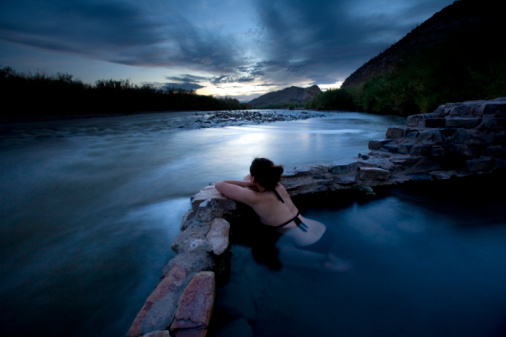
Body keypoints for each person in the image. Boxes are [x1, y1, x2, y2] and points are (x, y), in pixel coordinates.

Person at [215, 158, 349, 271]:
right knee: (302, 245)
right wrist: (253, 181)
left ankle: (322, 265)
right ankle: (329, 255)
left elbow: (220, 185)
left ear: (255, 179)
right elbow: (250, 177)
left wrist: (247, 183)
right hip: (324, 231)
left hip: (312, 247)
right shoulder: (279, 186)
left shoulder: (253, 197)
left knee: (277, 255)